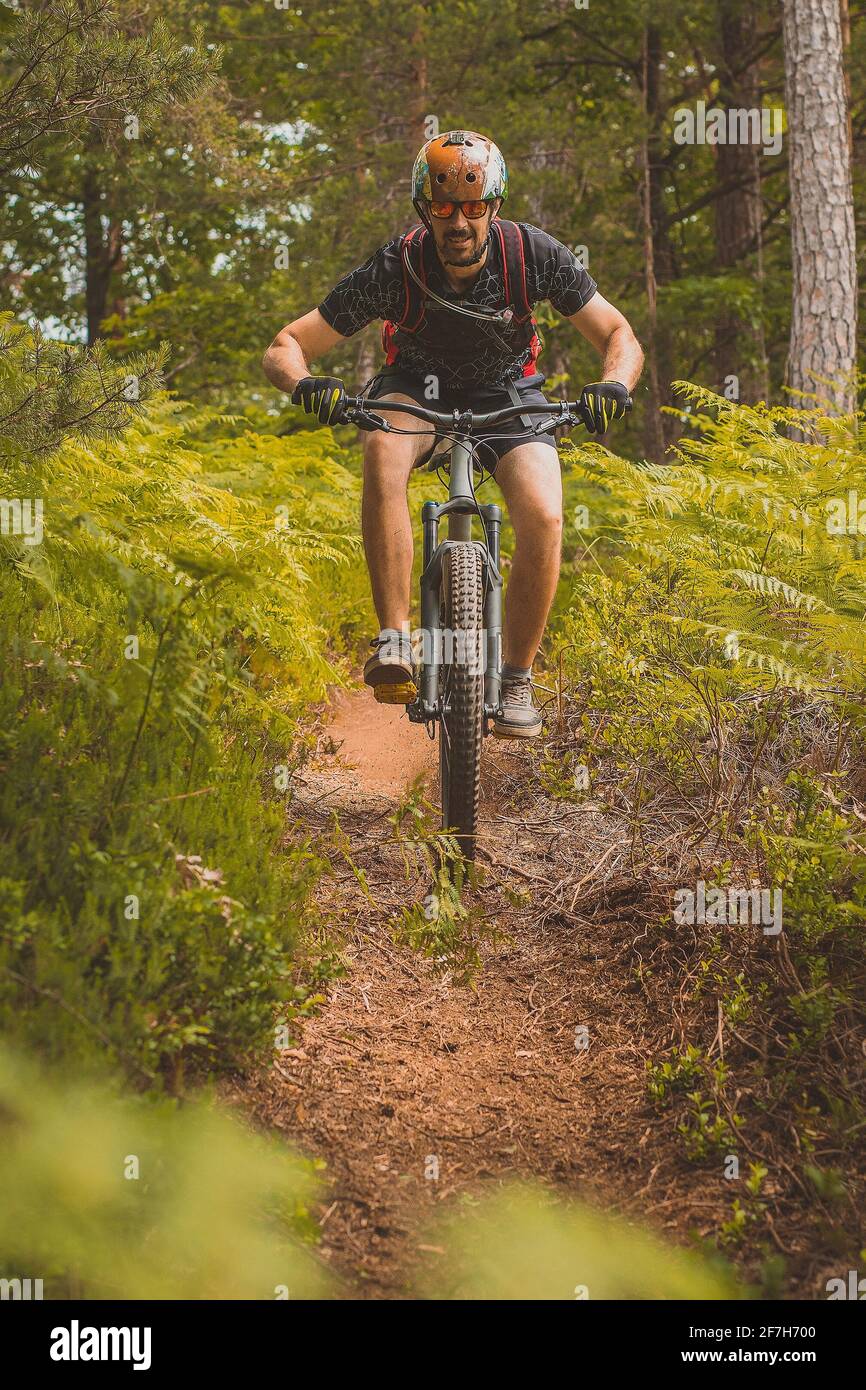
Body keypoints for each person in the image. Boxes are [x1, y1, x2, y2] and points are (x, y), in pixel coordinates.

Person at [262, 130, 643, 736]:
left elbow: (618, 334)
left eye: (473, 207)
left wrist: (614, 386)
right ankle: (395, 642)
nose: (458, 222)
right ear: (423, 210)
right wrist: (309, 386)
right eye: (443, 208)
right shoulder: (396, 267)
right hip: (415, 389)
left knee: (544, 515)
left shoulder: (534, 255)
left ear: (494, 206)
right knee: (382, 449)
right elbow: (285, 346)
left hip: (509, 394)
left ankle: (516, 678)